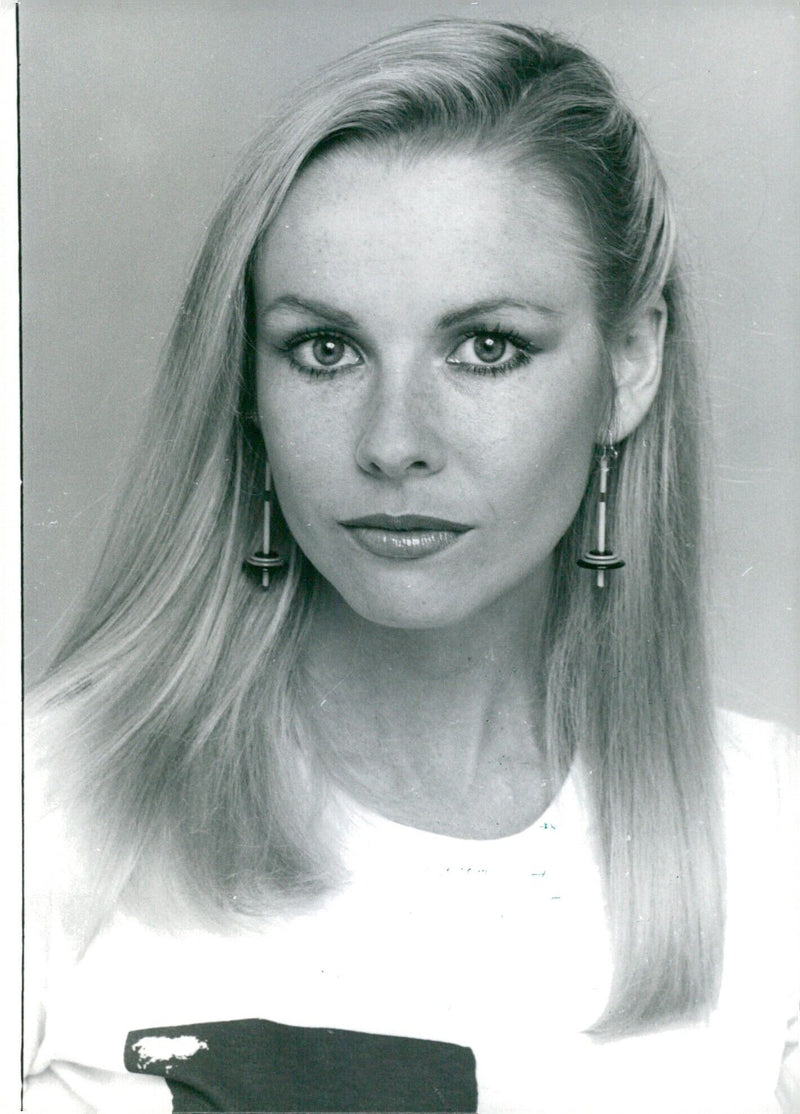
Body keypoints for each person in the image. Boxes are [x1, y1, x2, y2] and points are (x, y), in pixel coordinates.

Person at [23, 18, 798, 1114]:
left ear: (628, 365)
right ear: (247, 377)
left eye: (485, 346)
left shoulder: (773, 840)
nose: (393, 440)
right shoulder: (44, 814)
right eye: (324, 349)